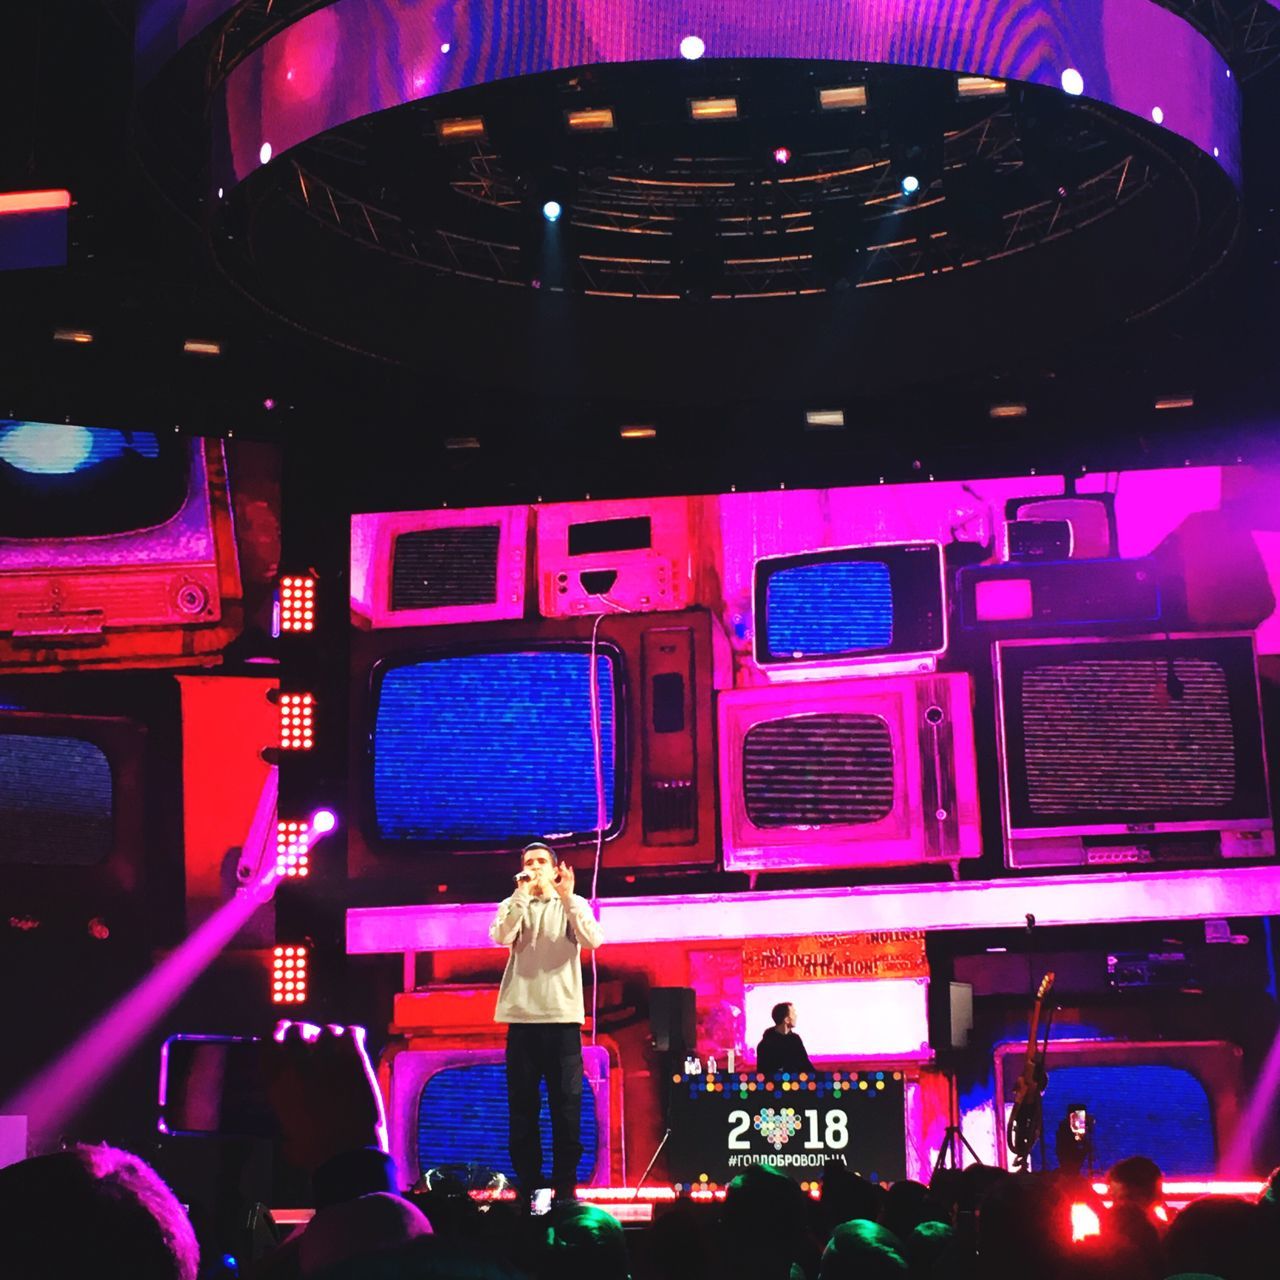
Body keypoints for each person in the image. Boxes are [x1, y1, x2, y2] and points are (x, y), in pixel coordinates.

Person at [490, 841, 604, 1207]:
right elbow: (500, 936)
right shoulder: (513, 902)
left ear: (556, 869)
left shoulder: (572, 903)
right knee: (523, 1108)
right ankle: (530, 1184)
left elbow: (593, 940)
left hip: (562, 1022)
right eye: (528, 862)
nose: (535, 868)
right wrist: (521, 897)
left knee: (566, 1107)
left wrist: (568, 897)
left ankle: (566, 1187)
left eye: (541, 862)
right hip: (522, 1022)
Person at [756, 1001, 815, 1077]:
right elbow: (764, 1074)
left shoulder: (795, 1040)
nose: (796, 1016)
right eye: (793, 1013)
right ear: (786, 1020)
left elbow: (806, 1066)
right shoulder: (765, 1045)